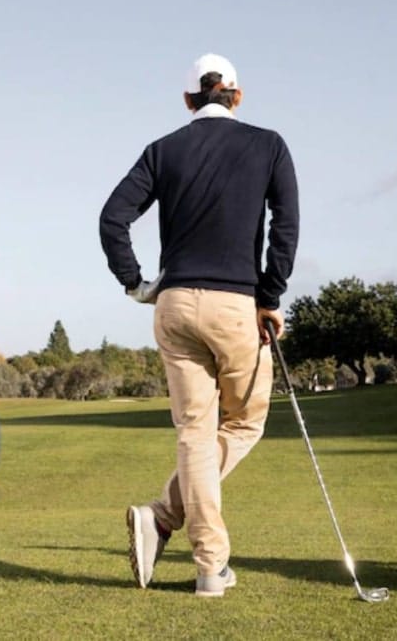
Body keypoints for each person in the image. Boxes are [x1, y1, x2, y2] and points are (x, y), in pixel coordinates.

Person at [98, 53, 300, 597]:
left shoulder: (163, 150)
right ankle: (172, 526)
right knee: (243, 424)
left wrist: (137, 283)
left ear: (189, 100)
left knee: (194, 433)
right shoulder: (269, 144)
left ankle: (191, 547)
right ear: (236, 94)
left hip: (176, 303)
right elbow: (286, 225)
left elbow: (112, 218)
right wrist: (271, 295)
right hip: (237, 305)